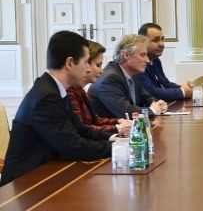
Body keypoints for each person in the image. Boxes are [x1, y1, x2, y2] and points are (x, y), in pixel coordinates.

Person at [0, 31, 118, 186]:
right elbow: (74, 147)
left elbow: (82, 130)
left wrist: (115, 139)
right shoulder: (47, 97)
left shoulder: (56, 90)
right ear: (70, 63)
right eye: (86, 62)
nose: (88, 68)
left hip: (46, 174)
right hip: (24, 184)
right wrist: (119, 148)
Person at [88, 34, 168, 119]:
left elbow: (146, 97)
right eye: (142, 55)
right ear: (126, 55)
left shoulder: (133, 74)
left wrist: (158, 104)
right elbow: (126, 112)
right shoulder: (110, 79)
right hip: (111, 126)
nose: (147, 60)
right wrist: (153, 110)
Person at [67, 41, 132, 135]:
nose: (101, 71)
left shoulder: (80, 90)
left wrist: (118, 121)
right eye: (98, 65)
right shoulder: (69, 92)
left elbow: (95, 120)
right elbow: (83, 129)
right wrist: (117, 128)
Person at [135, 23, 193, 101]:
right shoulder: (138, 63)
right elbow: (151, 92)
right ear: (143, 42)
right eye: (156, 40)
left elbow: (165, 83)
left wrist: (184, 88)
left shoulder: (155, 60)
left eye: (162, 39)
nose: (161, 44)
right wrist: (182, 92)